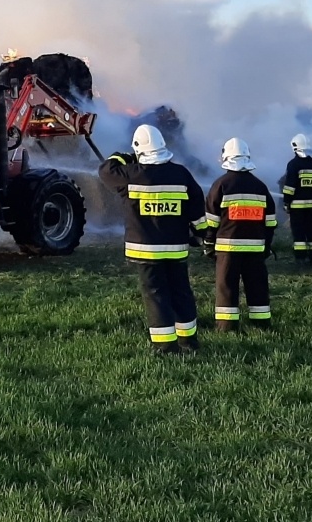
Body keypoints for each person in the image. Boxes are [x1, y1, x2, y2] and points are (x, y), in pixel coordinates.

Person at [99, 124, 208, 354]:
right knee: (181, 292)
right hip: (177, 248)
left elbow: (106, 170)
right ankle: (188, 342)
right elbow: (197, 208)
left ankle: (165, 346)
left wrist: (122, 156)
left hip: (146, 250)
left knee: (156, 294)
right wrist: (200, 233)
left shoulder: (130, 174)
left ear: (139, 150)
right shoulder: (181, 174)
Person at [200, 138, 278, 330]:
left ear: (226, 158)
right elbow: (271, 222)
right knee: (258, 286)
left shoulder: (221, 185)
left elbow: (211, 220)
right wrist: (266, 245)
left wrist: (209, 244)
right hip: (255, 248)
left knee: (226, 287)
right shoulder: (260, 187)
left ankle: (226, 326)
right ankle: (261, 325)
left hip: (228, 249)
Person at [279, 134, 312, 268]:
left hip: (296, 206)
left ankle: (300, 259)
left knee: (298, 232)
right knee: (311, 230)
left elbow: (289, 186)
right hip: (311, 205)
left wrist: (286, 202)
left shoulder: (293, 164)